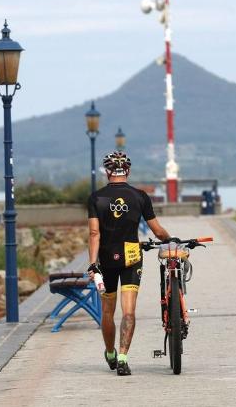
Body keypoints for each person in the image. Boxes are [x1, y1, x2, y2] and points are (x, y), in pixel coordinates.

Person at [87, 151, 173, 376]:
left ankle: (111, 353)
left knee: (107, 311)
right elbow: (157, 230)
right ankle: (124, 358)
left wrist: (92, 263)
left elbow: (94, 233)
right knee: (129, 311)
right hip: (132, 258)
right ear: (127, 171)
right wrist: (168, 238)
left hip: (106, 260)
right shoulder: (140, 196)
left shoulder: (96, 198)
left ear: (107, 172)